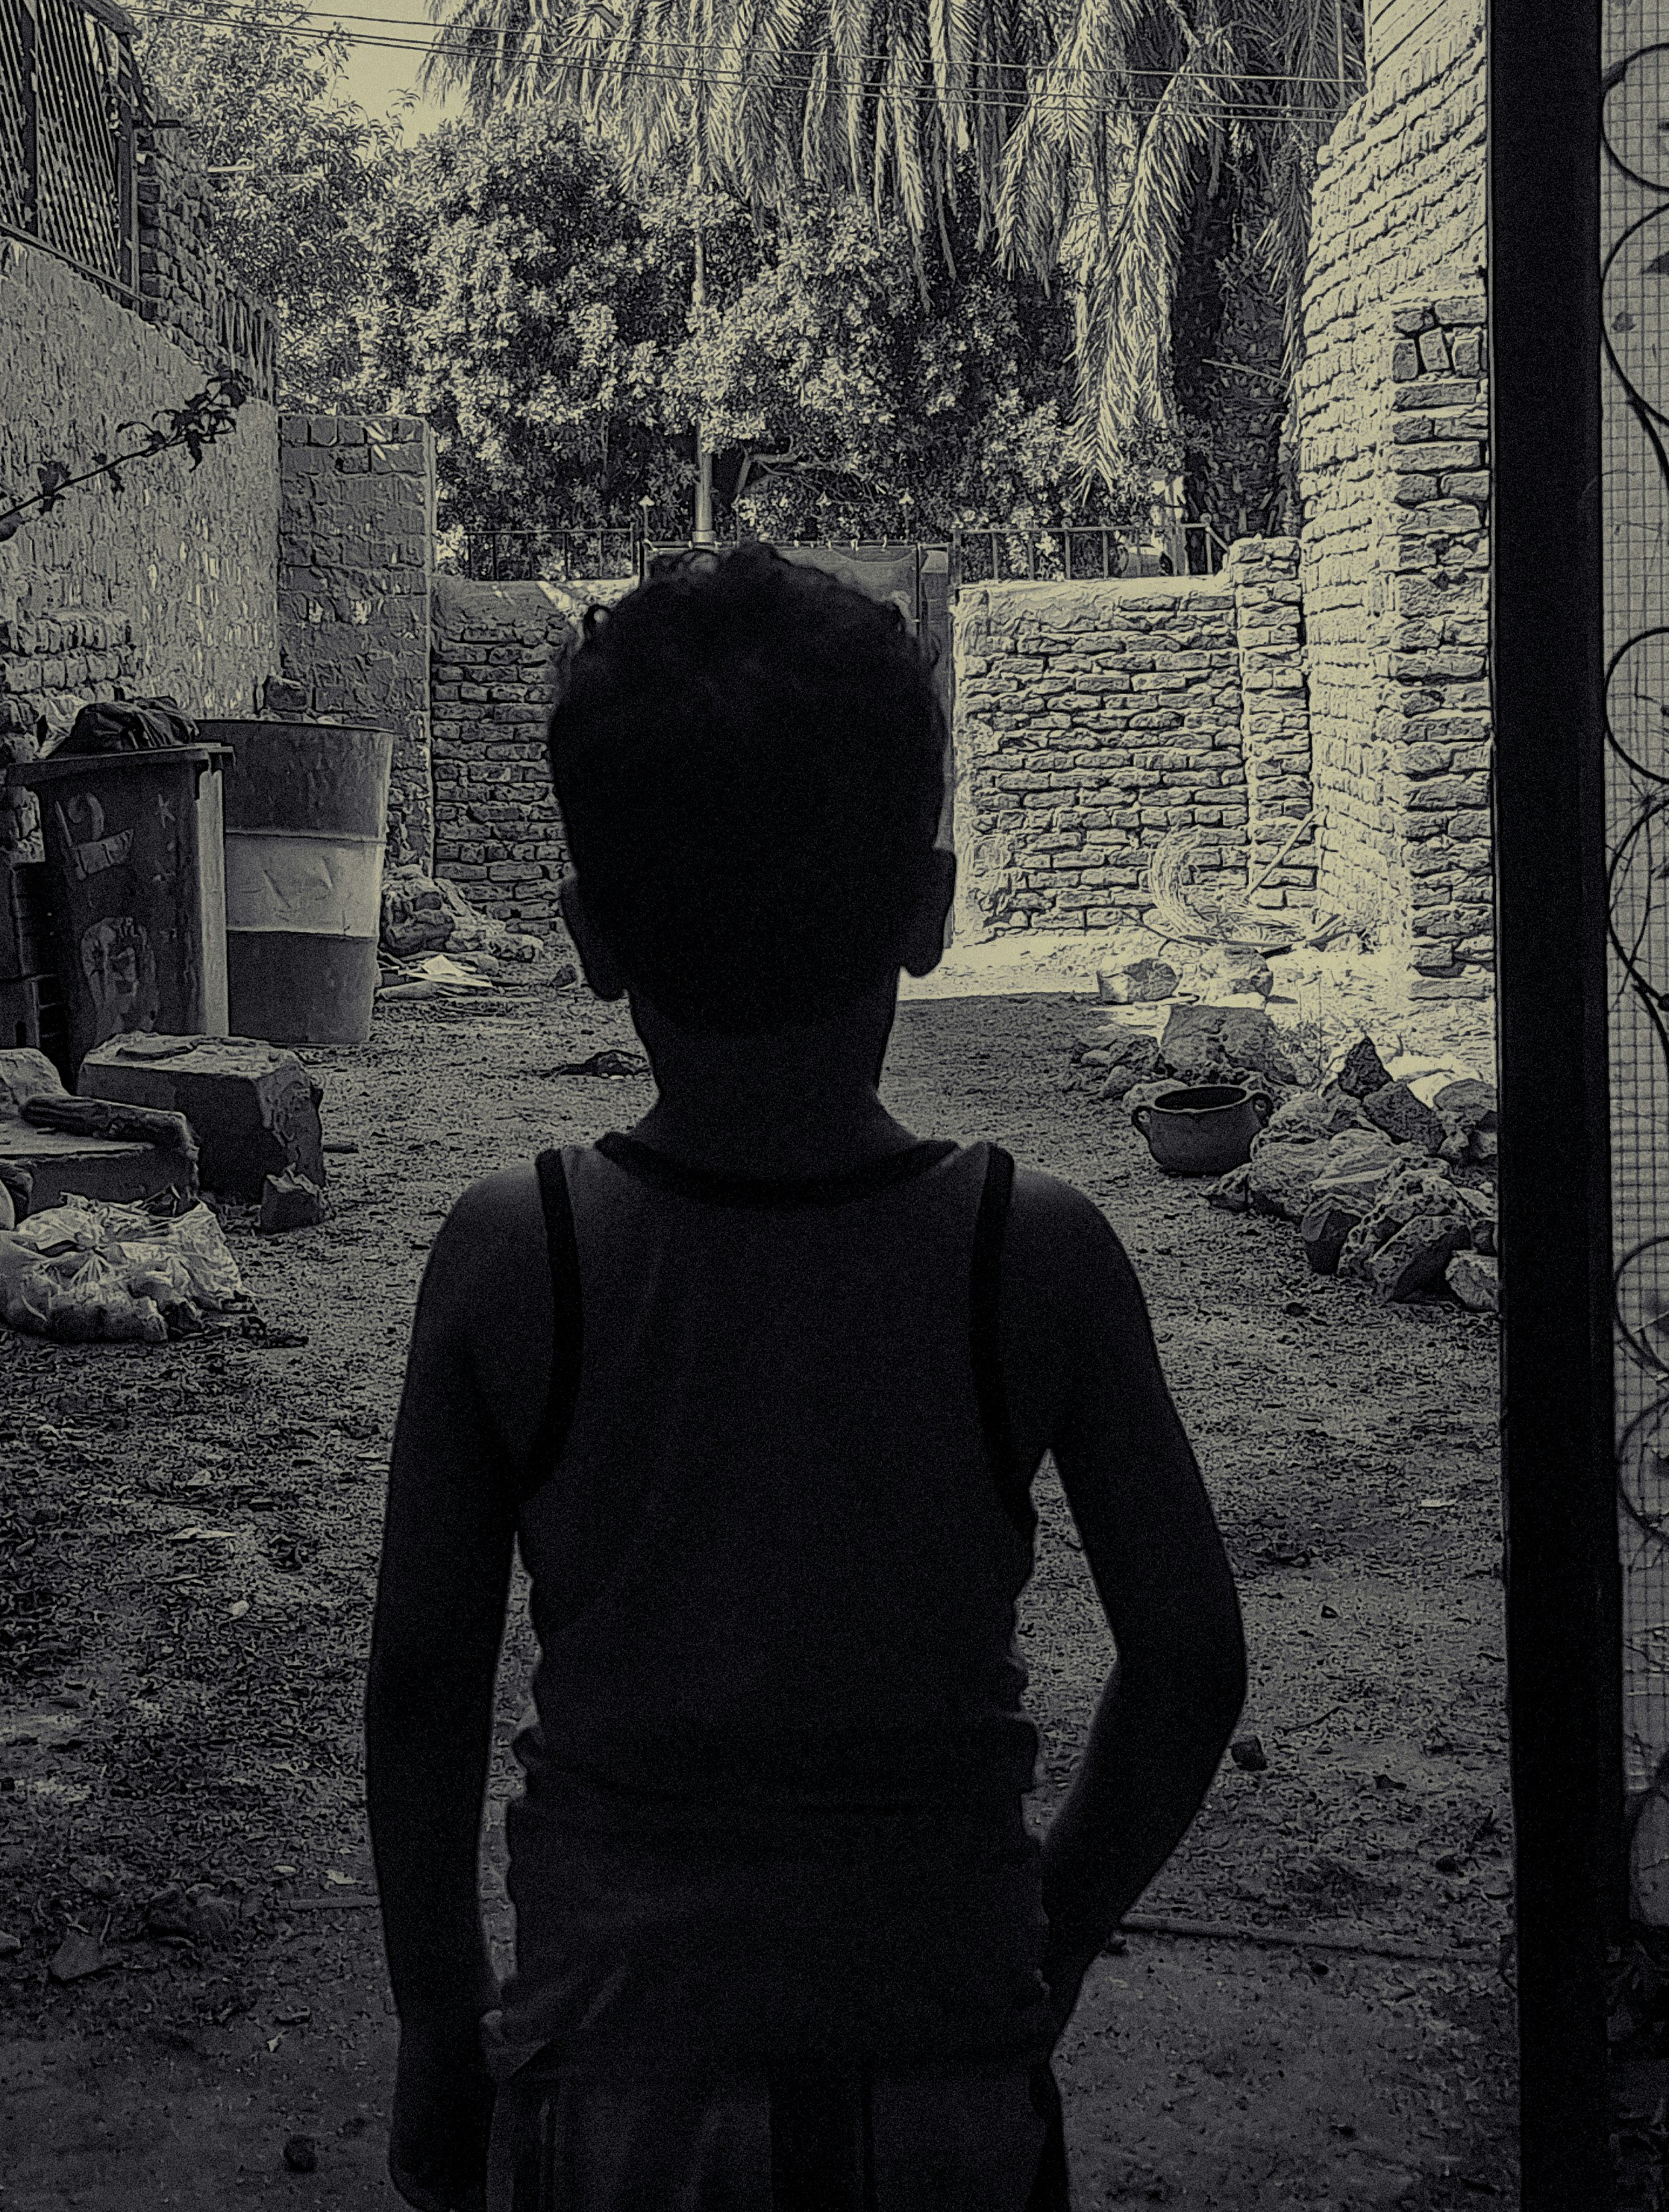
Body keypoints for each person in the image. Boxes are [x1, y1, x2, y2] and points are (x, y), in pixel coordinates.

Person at [364, 547, 1247, 2212]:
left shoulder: (515, 1255)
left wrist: (435, 2019)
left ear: (588, 938)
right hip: (945, 2079)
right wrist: (1049, 1938)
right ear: (930, 909)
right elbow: (1191, 1661)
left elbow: (424, 1680)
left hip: (612, 2078)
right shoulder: (1029, 1253)